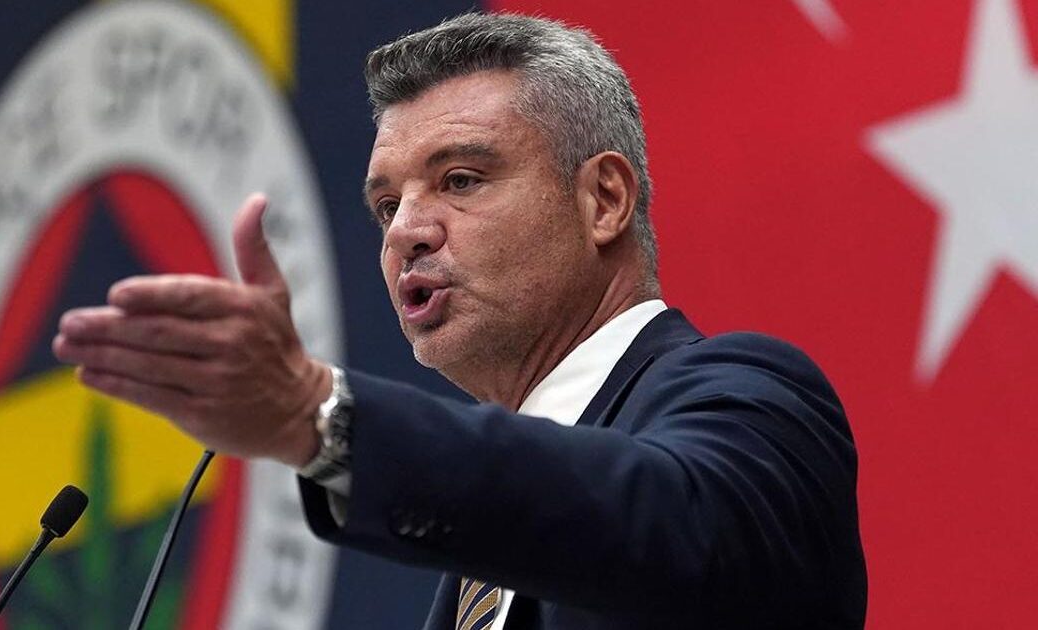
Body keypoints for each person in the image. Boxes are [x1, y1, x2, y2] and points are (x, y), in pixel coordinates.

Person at [53, 12, 867, 629]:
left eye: (462, 180)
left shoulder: (746, 394)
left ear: (603, 200)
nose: (405, 230)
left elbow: (674, 529)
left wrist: (319, 417)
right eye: (386, 205)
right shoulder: (478, 559)